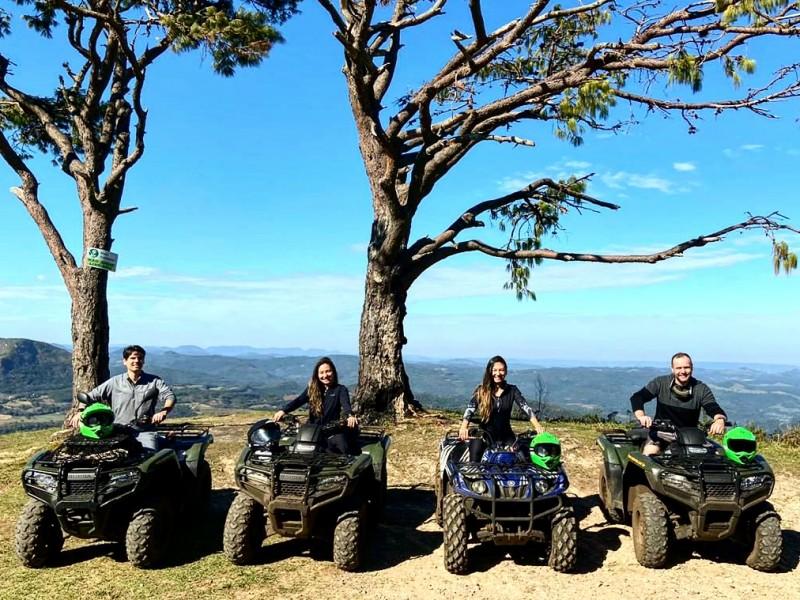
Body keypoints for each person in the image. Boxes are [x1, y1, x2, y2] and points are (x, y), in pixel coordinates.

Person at [69, 345, 176, 450]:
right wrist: (80, 412)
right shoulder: (114, 382)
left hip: (144, 431)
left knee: (149, 456)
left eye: (140, 358)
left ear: (144, 361)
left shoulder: (154, 381)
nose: (137, 361)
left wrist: (164, 411)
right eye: (133, 358)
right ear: (125, 361)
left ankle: (163, 441)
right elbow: (90, 396)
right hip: (118, 430)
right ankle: (164, 440)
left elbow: (170, 396)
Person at [630, 352, 727, 456]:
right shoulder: (661, 383)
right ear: (672, 369)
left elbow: (712, 407)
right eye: (678, 368)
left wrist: (719, 420)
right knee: (650, 452)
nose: (683, 371)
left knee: (716, 456)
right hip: (661, 433)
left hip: (690, 437)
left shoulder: (700, 388)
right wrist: (642, 416)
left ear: (692, 368)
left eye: (686, 367)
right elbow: (637, 397)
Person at [458, 355, 544, 462]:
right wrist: (463, 427)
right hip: (485, 435)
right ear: (490, 371)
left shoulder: (512, 390)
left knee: (522, 460)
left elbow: (525, 408)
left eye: (501, 370)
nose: (498, 373)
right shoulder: (482, 390)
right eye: (495, 370)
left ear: (506, 372)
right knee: (474, 462)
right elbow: (470, 409)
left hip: (506, 435)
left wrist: (537, 426)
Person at [272, 357, 359, 454]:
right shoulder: (312, 389)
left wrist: (350, 416)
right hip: (312, 431)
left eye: (328, 371)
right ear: (317, 375)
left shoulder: (340, 390)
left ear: (333, 372)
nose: (325, 375)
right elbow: (298, 401)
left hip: (332, 431)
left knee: (343, 448)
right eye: (321, 372)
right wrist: (283, 411)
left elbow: (346, 405)